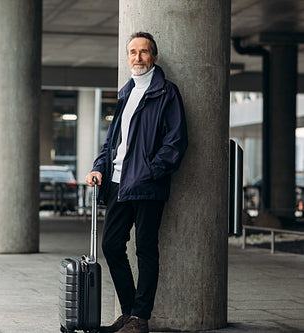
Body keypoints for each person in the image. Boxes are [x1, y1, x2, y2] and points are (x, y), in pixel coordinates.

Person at [85, 32, 188, 333]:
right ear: (127, 56)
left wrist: (150, 171)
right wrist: (98, 168)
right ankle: (130, 313)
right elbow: (113, 143)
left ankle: (140, 318)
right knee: (112, 245)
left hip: (147, 184)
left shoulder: (166, 93)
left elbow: (176, 142)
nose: (138, 58)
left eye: (144, 52)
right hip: (118, 183)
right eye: (133, 52)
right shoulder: (124, 94)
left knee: (145, 249)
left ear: (154, 57)